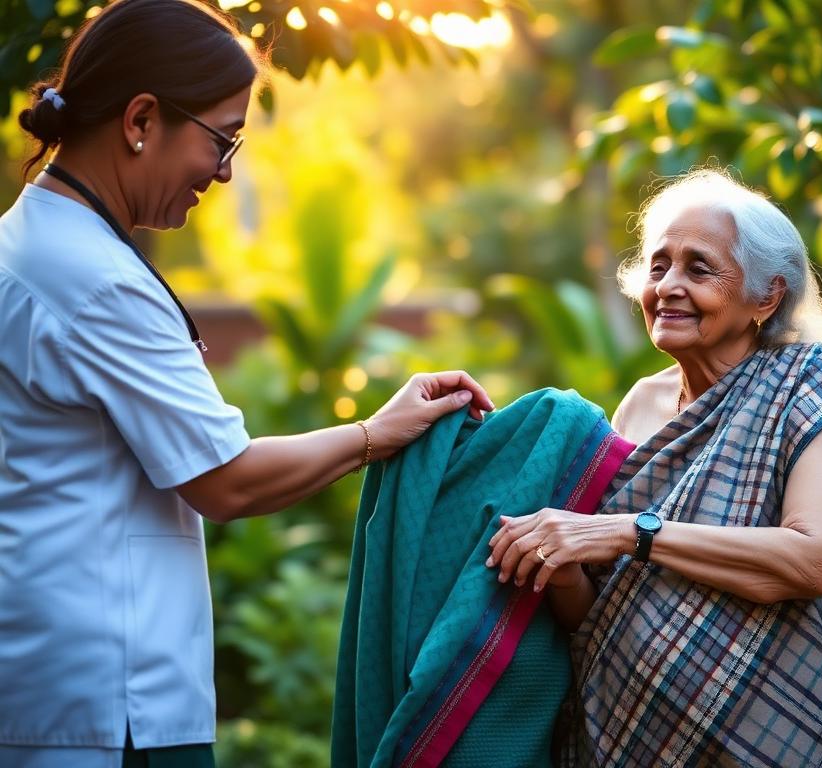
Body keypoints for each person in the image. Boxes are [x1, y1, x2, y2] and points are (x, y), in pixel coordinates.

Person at [0, 2, 492, 767]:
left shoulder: (26, 245)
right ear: (140, 119)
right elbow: (225, 481)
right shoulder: (94, 282)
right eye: (222, 139)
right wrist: (374, 435)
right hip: (109, 706)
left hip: (51, 680)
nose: (225, 172)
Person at [488, 169, 822, 767]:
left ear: (766, 297)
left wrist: (624, 531)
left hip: (773, 730)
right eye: (658, 266)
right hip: (627, 730)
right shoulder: (640, 403)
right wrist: (557, 558)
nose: (667, 286)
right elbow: (604, 609)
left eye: (699, 268)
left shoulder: (818, 393)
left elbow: (809, 561)